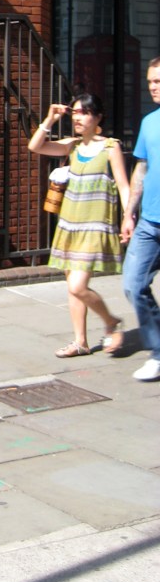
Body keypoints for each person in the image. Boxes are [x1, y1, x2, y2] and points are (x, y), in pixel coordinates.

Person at [28, 92, 129, 358]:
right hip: (70, 224)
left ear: (97, 117)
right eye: (75, 112)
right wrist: (50, 119)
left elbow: (123, 185)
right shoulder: (72, 146)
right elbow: (36, 146)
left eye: (84, 112)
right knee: (72, 285)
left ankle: (110, 321)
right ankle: (80, 341)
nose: (78, 118)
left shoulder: (110, 147)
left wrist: (128, 217)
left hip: (96, 225)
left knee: (77, 286)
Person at [120, 57, 160, 382]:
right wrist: (129, 213)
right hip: (150, 222)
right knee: (133, 285)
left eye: (158, 81)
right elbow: (141, 169)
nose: (153, 86)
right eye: (150, 81)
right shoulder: (149, 122)